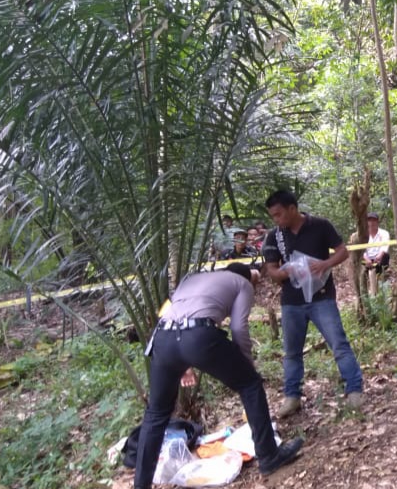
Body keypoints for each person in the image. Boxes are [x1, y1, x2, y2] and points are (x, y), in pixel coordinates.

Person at [133, 264, 303, 488]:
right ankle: (269, 456)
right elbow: (239, 328)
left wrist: (182, 363)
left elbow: (165, 313)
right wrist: (246, 365)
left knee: (155, 414)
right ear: (246, 277)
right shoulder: (242, 283)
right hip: (199, 335)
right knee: (250, 385)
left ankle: (140, 485)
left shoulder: (190, 279)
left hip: (163, 338)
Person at [262, 190, 364, 417]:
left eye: (279, 214)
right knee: (291, 352)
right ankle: (292, 396)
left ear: (292, 208)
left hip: (322, 297)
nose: (277, 220)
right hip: (291, 301)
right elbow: (271, 269)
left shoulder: (320, 225)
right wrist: (282, 273)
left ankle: (355, 389)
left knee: (339, 344)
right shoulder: (274, 236)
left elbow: (342, 251)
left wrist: (324, 264)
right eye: (273, 217)